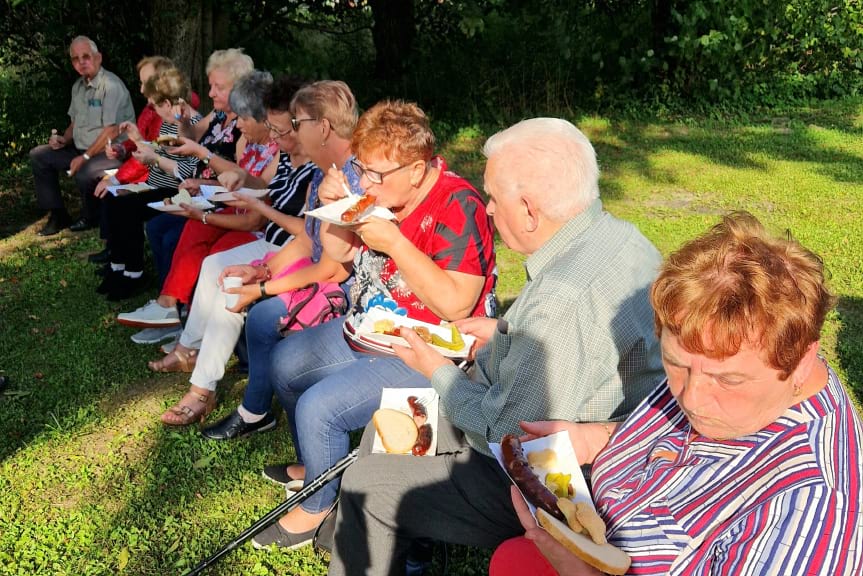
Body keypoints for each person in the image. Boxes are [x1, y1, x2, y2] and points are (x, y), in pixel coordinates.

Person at [323, 118, 665, 574]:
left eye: (493, 197)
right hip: (585, 430)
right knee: (392, 422)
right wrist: (506, 327)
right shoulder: (621, 238)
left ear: (528, 210)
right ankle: (393, 541)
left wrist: (435, 368)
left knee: (371, 479)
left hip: (557, 477)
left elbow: (503, 433)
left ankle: (372, 526)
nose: (485, 208)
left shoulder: (560, 301)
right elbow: (576, 343)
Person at [492, 211, 863, 576]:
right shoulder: (710, 359)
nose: (691, 398)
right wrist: (596, 438)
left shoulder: (810, 506)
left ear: (800, 361)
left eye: (729, 381)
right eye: (675, 364)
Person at [250, 99, 500, 549]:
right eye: (362, 169)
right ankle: (316, 463)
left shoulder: (460, 205)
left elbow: (458, 305)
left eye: (376, 175)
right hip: (370, 325)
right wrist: (333, 209)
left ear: (419, 170)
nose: (365, 182)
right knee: (285, 363)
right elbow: (339, 256)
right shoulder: (378, 189)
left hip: (427, 347)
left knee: (319, 407)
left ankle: (316, 508)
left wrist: (396, 243)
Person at [130, 77, 324, 426]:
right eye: (273, 129)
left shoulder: (320, 169)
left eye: (280, 130)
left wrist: (252, 203)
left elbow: (306, 234)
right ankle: (190, 348)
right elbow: (263, 186)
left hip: (287, 250)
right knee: (212, 264)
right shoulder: (286, 155)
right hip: (272, 243)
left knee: (227, 284)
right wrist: (233, 184)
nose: (275, 137)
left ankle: (201, 389)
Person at [197, 80, 363, 438]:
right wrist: (262, 268)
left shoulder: (352, 178)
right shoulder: (324, 171)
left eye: (296, 123)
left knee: (264, 315)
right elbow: (307, 238)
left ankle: (260, 412)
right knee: (259, 313)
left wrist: (262, 287)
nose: (286, 134)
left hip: (350, 294)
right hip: (322, 277)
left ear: (322, 127)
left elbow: (335, 269)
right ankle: (257, 410)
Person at [113, 69, 279, 313]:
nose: (238, 124)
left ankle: (185, 315)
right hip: (231, 207)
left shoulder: (275, 151)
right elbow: (235, 183)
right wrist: (204, 185)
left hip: (255, 225)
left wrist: (202, 209)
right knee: (181, 226)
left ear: (264, 118)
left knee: (210, 251)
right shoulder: (246, 140)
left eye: (242, 118)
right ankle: (169, 305)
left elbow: (255, 204)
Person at [97, 49, 253, 301]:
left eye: (218, 87)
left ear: (240, 88)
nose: (210, 92)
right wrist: (179, 123)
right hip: (196, 190)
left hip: (214, 196)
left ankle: (172, 301)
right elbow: (186, 139)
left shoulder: (246, 126)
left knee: (166, 232)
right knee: (152, 224)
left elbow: (238, 174)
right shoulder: (219, 114)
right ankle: (162, 295)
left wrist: (161, 157)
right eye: (211, 85)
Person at [94, 67, 201, 301]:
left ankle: (134, 272)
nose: (153, 109)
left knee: (127, 207)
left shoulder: (192, 124)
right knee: (113, 198)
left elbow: (187, 172)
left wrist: (155, 159)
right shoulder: (166, 122)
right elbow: (159, 152)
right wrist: (138, 140)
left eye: (156, 104)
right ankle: (118, 265)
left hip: (172, 189)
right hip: (155, 184)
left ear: (170, 102)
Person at [29, 35, 135, 236]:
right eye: (76, 59)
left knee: (85, 171)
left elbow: (111, 130)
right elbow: (75, 123)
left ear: (98, 58)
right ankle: (58, 215)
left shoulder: (111, 85)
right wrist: (64, 139)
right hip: (81, 149)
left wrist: (84, 157)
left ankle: (91, 216)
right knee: (39, 155)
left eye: (86, 56)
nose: (81, 62)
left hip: (111, 152)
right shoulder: (78, 87)